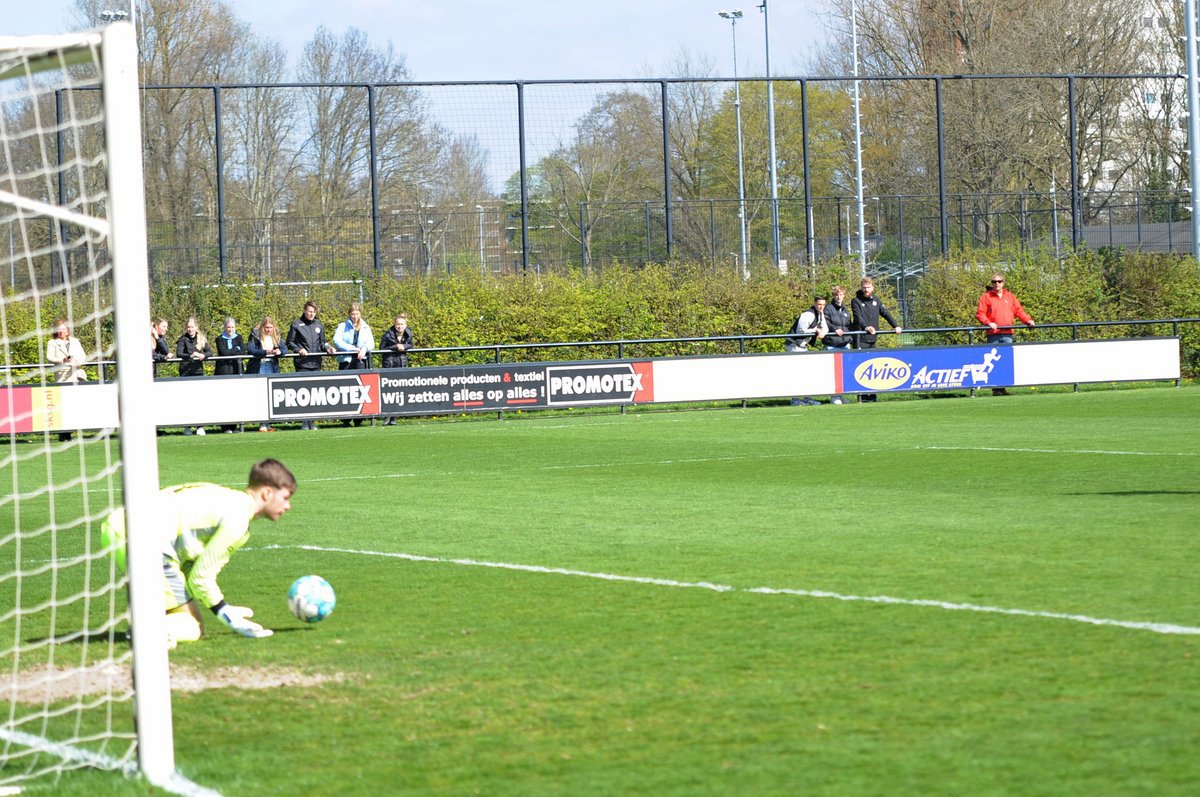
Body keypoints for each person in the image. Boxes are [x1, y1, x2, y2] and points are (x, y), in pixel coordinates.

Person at [98, 458, 297, 648]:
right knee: (193, 626)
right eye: (286, 498)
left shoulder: (226, 497)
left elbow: (190, 572)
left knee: (176, 606)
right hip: (145, 540)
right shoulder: (238, 519)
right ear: (267, 493)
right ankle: (148, 632)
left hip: (116, 527)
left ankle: (148, 624)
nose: (288, 506)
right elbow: (200, 578)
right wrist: (224, 611)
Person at [975, 273, 1035, 396]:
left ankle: (1002, 387)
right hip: (993, 334)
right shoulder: (986, 297)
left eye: (999, 281)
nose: (997, 284)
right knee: (995, 364)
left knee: (1006, 361)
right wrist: (988, 322)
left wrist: (1028, 320)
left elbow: (1019, 311)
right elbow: (980, 313)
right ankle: (996, 388)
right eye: (994, 281)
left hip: (1007, 333)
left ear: (1003, 283)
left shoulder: (1010, 296)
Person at [851, 277, 903, 402]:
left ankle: (873, 395)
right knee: (862, 368)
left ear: (872, 288)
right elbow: (858, 317)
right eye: (864, 287)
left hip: (872, 339)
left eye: (868, 287)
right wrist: (866, 327)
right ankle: (863, 397)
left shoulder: (876, 300)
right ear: (861, 287)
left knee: (873, 367)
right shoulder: (856, 301)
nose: (866, 289)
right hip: (860, 339)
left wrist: (895, 326)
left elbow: (886, 313)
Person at [286, 301, 335, 430]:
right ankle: (304, 422)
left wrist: (328, 348)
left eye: (313, 312)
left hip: (316, 363)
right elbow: (289, 342)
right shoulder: (296, 324)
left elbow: (322, 342)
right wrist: (298, 349)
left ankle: (312, 422)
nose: (311, 314)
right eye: (309, 311)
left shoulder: (319, 324)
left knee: (314, 394)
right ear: (304, 311)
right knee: (303, 393)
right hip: (302, 363)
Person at [332, 302, 375, 426]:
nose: (355, 316)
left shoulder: (366, 327)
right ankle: (345, 419)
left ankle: (358, 419)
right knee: (344, 389)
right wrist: (352, 349)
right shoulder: (342, 326)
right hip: (346, 361)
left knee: (360, 389)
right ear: (349, 314)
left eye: (357, 314)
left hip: (360, 361)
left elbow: (371, 343)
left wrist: (364, 349)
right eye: (353, 314)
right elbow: (337, 341)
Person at [47, 319, 89, 441]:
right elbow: (49, 357)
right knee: (63, 405)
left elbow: (83, 356)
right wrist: (63, 360)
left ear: (68, 330)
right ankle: (64, 433)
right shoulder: (52, 342)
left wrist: (78, 361)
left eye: (63, 329)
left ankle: (72, 430)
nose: (61, 331)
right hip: (62, 375)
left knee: (74, 404)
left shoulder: (75, 341)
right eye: (59, 329)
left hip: (76, 374)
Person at [784, 297, 828, 406]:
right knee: (797, 373)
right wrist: (815, 330)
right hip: (794, 345)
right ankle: (795, 399)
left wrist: (822, 332)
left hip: (803, 346)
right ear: (814, 304)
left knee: (807, 373)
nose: (821, 307)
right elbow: (801, 331)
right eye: (819, 304)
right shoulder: (808, 315)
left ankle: (807, 398)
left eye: (823, 305)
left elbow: (825, 327)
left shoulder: (820, 314)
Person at [176, 317, 211, 435]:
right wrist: (191, 355)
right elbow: (179, 353)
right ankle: (187, 427)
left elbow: (209, 352)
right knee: (186, 401)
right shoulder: (182, 339)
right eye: (188, 327)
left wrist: (203, 356)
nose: (190, 329)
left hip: (198, 372)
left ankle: (200, 426)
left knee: (199, 400)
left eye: (192, 327)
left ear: (196, 327)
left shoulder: (201, 338)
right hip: (185, 372)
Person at [248, 317, 283, 431]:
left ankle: (268, 423)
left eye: (271, 327)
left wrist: (280, 351)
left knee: (270, 395)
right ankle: (262, 423)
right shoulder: (255, 335)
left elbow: (285, 348)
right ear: (262, 327)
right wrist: (265, 352)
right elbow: (251, 350)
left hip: (272, 366)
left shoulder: (276, 335)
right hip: (259, 366)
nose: (269, 330)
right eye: (267, 327)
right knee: (261, 395)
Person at [379, 313, 414, 426]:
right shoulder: (387, 335)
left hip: (401, 364)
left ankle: (394, 417)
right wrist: (395, 347)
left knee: (399, 392)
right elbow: (381, 348)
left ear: (405, 325)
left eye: (402, 324)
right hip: (389, 365)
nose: (400, 326)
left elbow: (411, 345)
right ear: (394, 325)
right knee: (388, 392)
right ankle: (387, 415)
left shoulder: (408, 334)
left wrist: (404, 346)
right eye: (398, 324)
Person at [213, 317, 246, 433]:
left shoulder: (239, 337)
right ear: (224, 327)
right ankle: (225, 427)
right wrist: (236, 349)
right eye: (228, 327)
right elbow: (224, 353)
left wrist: (234, 350)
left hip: (236, 370)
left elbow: (243, 351)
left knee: (236, 399)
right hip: (223, 371)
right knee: (224, 399)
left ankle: (234, 426)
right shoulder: (219, 339)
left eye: (232, 327)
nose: (230, 329)